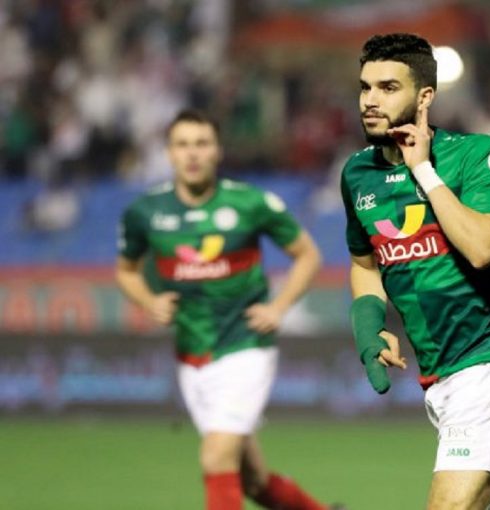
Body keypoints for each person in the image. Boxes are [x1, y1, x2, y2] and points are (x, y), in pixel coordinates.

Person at [341, 33, 490, 510]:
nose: (370, 100)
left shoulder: (473, 154)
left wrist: (423, 171)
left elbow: (483, 249)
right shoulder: (357, 174)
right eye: (365, 87)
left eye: (388, 88)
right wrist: (369, 328)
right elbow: (364, 263)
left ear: (424, 97)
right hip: (442, 376)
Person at [116, 109, 334, 510]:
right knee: (252, 480)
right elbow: (126, 271)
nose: (192, 153)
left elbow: (307, 255)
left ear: (217, 151)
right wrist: (149, 301)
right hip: (192, 356)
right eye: (183, 144)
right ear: (169, 153)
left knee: (216, 457)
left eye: (202, 143)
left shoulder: (249, 202)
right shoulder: (145, 212)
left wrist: (278, 307)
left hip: (244, 347)